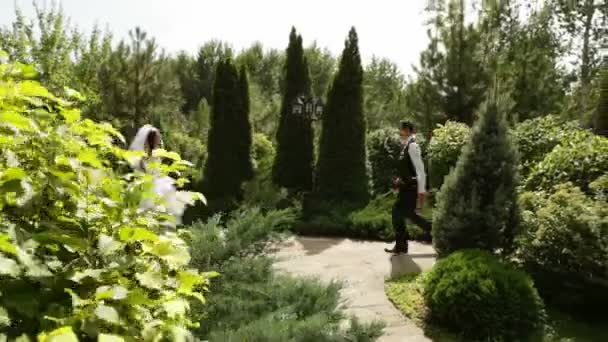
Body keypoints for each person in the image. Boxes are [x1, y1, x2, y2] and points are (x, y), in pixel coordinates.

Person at [129, 124, 191, 226]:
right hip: (148, 186)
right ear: (152, 139)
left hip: (158, 183)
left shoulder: (157, 153)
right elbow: (143, 171)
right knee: (148, 214)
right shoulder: (143, 156)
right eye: (157, 137)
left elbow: (158, 169)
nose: (160, 139)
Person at [385, 120, 432, 254]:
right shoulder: (406, 146)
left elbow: (420, 170)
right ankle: (401, 245)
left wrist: (422, 192)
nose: (400, 132)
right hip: (406, 188)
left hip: (411, 189)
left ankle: (435, 231)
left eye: (402, 130)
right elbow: (408, 169)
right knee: (401, 214)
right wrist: (399, 181)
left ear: (408, 131)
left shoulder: (413, 146)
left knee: (404, 214)